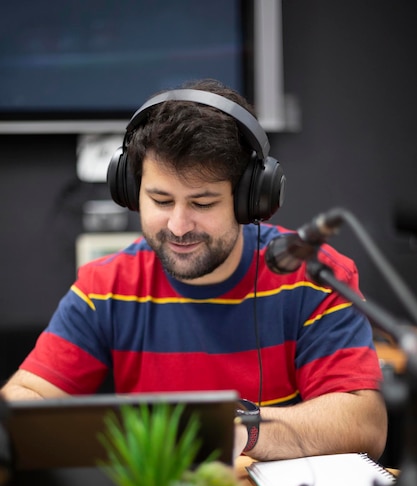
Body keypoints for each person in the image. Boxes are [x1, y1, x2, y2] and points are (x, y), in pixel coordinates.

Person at [1, 78, 387, 461]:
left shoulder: (313, 276)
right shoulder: (106, 286)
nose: (178, 226)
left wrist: (240, 430)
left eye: (202, 203)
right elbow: (24, 400)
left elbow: (364, 424)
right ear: (132, 191)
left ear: (249, 199)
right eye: (161, 200)